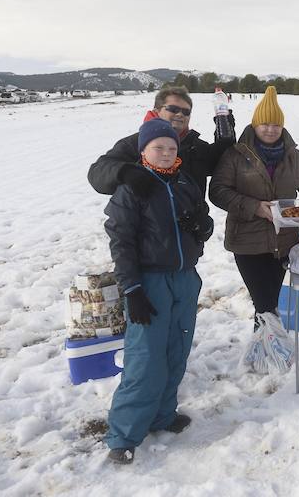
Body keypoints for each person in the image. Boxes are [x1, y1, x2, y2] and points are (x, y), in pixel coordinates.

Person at [103, 118, 214, 465]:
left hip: (184, 278)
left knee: (176, 349)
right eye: (158, 148)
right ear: (144, 151)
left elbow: (204, 223)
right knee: (145, 357)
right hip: (149, 282)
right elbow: (121, 242)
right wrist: (132, 289)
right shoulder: (132, 188)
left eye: (171, 147)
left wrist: (203, 226)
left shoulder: (186, 183)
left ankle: (163, 415)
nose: (166, 153)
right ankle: (124, 435)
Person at [209, 86, 299, 324]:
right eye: (265, 124)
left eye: (276, 125)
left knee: (269, 304)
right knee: (265, 306)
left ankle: (267, 353)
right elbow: (218, 192)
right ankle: (268, 355)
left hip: (283, 243)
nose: (271, 129)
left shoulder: (295, 156)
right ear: (255, 125)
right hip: (247, 243)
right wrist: (255, 207)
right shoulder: (235, 155)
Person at [88, 87, 235, 199]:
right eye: (173, 109)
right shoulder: (138, 143)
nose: (180, 114)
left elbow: (223, 165)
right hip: (149, 234)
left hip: (190, 232)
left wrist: (225, 138)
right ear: (156, 110)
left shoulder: (195, 146)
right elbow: (97, 172)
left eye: (186, 112)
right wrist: (124, 172)